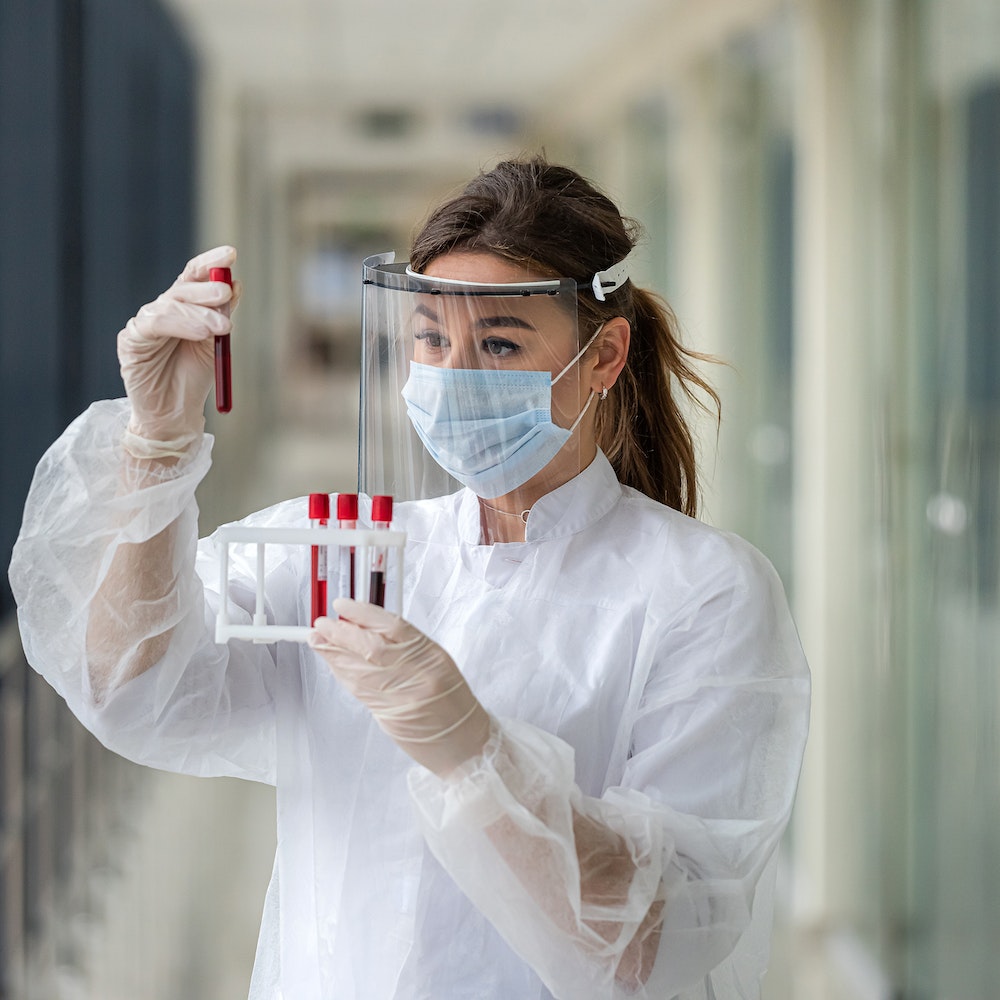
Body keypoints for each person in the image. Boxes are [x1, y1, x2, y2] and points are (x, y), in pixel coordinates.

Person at [9, 156, 810, 999]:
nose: (455, 378)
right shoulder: (343, 554)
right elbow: (129, 684)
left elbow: (661, 938)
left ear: (604, 356)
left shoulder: (702, 592)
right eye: (431, 338)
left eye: (499, 342)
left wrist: (475, 750)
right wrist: (159, 442)